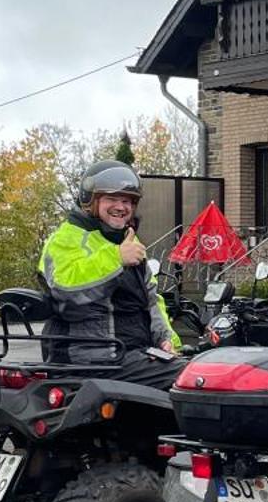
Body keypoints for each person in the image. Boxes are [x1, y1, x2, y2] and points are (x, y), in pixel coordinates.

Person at [38, 161, 185, 387]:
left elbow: (152, 299)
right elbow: (65, 288)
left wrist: (166, 340)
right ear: (90, 201)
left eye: (127, 201)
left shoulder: (127, 241)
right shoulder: (66, 238)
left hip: (130, 355)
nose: (121, 206)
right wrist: (116, 258)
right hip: (92, 358)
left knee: (203, 370)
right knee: (192, 378)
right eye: (111, 199)